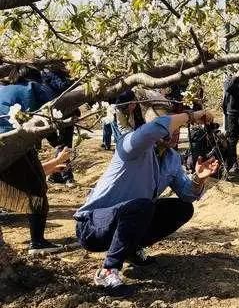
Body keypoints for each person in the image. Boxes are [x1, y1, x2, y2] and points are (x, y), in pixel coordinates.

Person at [74, 101, 220, 295]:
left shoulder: (172, 158)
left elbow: (187, 194)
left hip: (130, 217)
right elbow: (153, 129)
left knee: (182, 208)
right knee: (141, 206)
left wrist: (198, 179)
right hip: (92, 227)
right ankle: (108, 270)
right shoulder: (130, 146)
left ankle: (131, 249)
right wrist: (190, 116)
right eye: (173, 126)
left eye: (179, 128)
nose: (175, 132)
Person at [0, 65, 70, 254]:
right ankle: (37, 242)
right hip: (13, 141)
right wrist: (58, 143)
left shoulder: (2, 88)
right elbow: (51, 117)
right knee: (37, 187)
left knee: (31, 176)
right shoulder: (35, 87)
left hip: (8, 139)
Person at [42, 66, 77, 186]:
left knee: (64, 145)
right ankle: (67, 176)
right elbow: (62, 86)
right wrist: (75, 80)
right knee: (63, 145)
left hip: (66, 113)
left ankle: (55, 175)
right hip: (60, 114)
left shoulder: (51, 73)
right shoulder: (52, 74)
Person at [222, 65, 239, 173]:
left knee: (234, 139)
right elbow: (228, 87)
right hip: (231, 114)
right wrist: (236, 76)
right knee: (231, 140)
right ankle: (231, 164)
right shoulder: (230, 79)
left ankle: (232, 162)